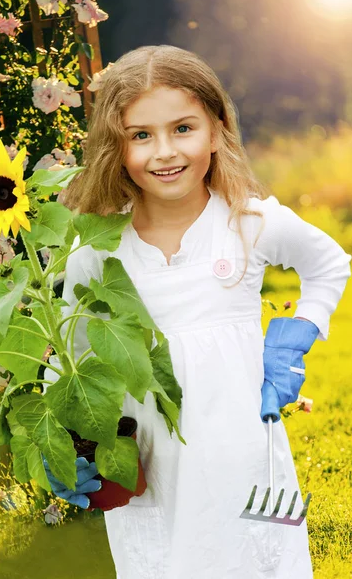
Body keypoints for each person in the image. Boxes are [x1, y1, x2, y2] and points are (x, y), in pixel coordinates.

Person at [43, 45, 351, 578]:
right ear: (115, 148)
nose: (164, 151)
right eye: (141, 135)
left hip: (244, 454)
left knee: (256, 560)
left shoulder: (246, 222)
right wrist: (65, 439)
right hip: (149, 457)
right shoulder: (98, 245)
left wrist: (297, 333)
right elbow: (74, 349)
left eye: (182, 128)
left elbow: (329, 263)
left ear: (216, 129)